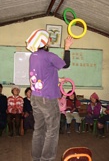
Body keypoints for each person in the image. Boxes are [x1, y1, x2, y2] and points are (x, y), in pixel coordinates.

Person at [26, 29, 73, 161]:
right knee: (52, 131)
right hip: (47, 98)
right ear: (44, 42)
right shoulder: (49, 56)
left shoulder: (33, 56)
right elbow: (66, 65)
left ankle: (36, 158)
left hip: (35, 97)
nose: (50, 40)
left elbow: (41, 75)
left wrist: (57, 80)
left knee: (39, 130)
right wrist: (67, 47)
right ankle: (46, 159)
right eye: (48, 39)